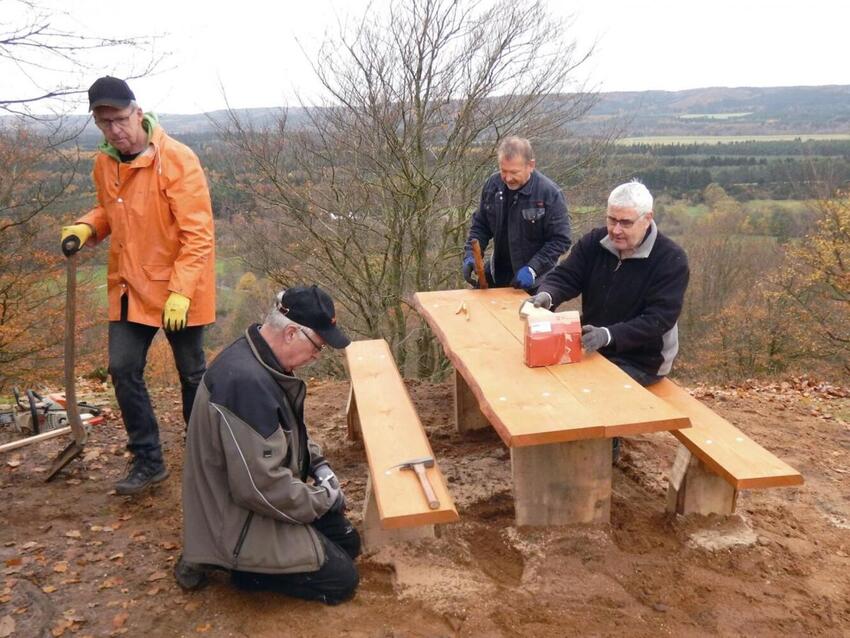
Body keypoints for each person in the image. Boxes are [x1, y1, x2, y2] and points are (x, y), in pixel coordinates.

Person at [59, 76, 215, 495]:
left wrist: (181, 292)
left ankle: (208, 458)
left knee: (192, 374)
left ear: (138, 113)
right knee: (123, 368)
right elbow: (111, 210)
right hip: (131, 286)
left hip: (179, 289)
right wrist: (87, 226)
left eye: (120, 119)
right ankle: (148, 459)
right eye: (104, 122)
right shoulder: (104, 163)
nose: (115, 130)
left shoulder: (178, 159)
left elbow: (197, 234)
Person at [175, 285, 360, 605]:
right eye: (318, 345)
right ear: (291, 333)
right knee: (342, 580)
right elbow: (261, 488)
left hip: (248, 499)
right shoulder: (246, 385)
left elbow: (287, 431)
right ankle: (241, 568)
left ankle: (271, 559)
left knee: (349, 543)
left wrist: (319, 465)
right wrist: (322, 500)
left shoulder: (258, 356)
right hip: (235, 519)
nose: (318, 355)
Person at [527, 181, 689, 458]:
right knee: (544, 371)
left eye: (625, 223)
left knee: (593, 390)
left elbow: (658, 320)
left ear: (647, 219)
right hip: (595, 342)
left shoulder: (670, 259)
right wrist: (547, 295)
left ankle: (600, 457)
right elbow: (567, 275)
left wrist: (609, 335)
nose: (615, 230)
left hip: (643, 358)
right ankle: (554, 445)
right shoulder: (595, 242)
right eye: (612, 219)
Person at [462, 136, 571, 290]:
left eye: (514, 172)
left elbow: (560, 240)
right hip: (498, 276)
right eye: (503, 171)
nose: (508, 178)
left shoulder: (549, 194)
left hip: (537, 282)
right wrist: (470, 256)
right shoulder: (492, 186)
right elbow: (481, 226)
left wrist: (533, 268)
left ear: (530, 165)